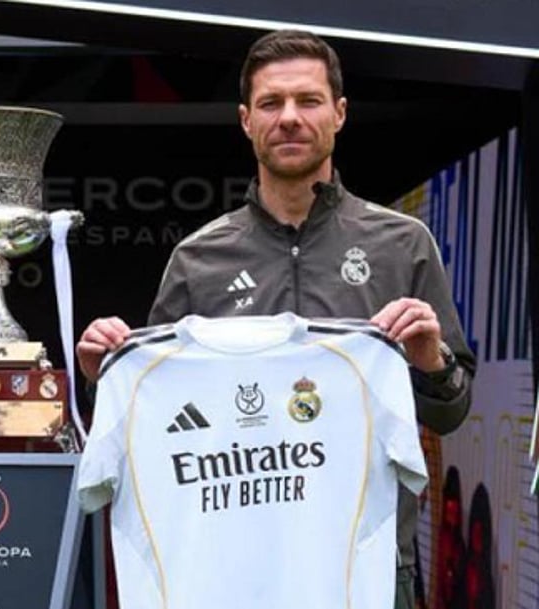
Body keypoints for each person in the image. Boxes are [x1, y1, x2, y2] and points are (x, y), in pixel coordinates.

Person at [76, 30, 474, 609]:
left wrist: (431, 361)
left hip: (366, 575)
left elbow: (452, 414)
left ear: (339, 113)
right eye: (271, 103)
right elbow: (154, 422)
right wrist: (106, 378)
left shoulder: (402, 245)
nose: (289, 118)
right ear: (246, 120)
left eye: (308, 101)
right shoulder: (198, 259)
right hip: (230, 577)